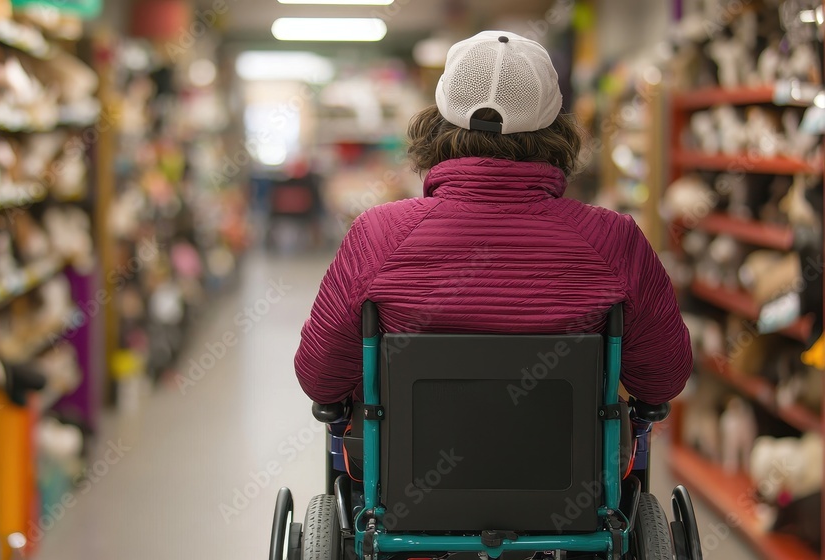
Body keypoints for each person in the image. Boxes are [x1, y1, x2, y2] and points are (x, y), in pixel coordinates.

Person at [295, 31, 692, 406]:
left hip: (402, 475)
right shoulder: (614, 240)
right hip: (571, 475)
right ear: (558, 131)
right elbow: (663, 380)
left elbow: (321, 379)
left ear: (436, 124)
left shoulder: (378, 235)